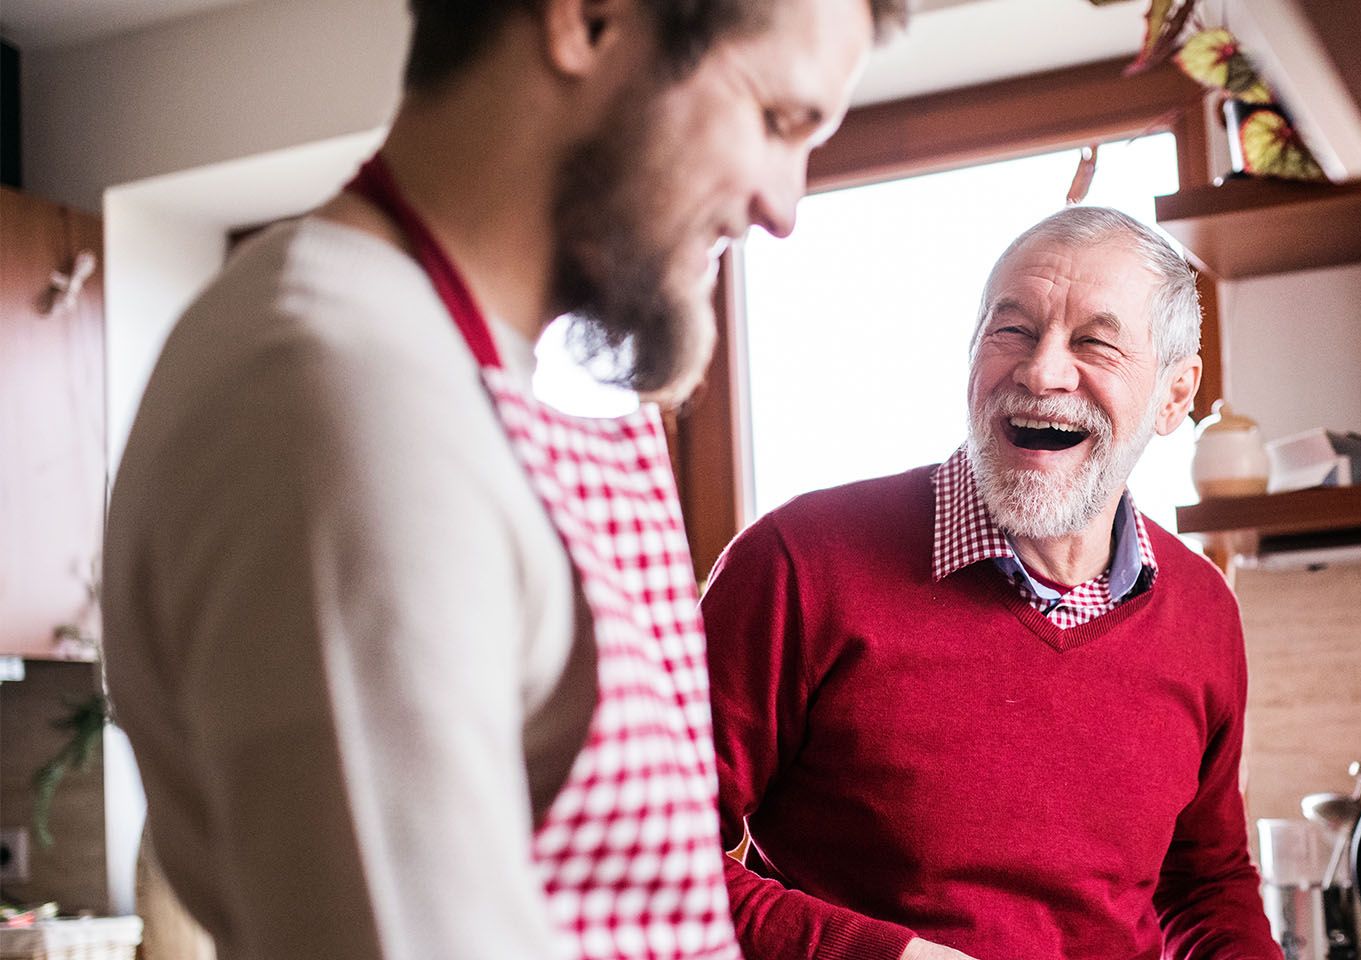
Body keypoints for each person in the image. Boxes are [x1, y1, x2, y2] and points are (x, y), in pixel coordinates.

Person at [101, 0, 903, 957]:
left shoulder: (423, 363)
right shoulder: (350, 389)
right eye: (776, 120)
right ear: (589, 22)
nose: (783, 207)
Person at [702, 206, 1283, 960]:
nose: (1041, 372)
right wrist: (884, 958)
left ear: (1175, 396)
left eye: (1094, 342)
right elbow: (643, 847)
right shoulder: (795, 564)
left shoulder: (1203, 609)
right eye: (1011, 331)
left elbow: (1205, 884)